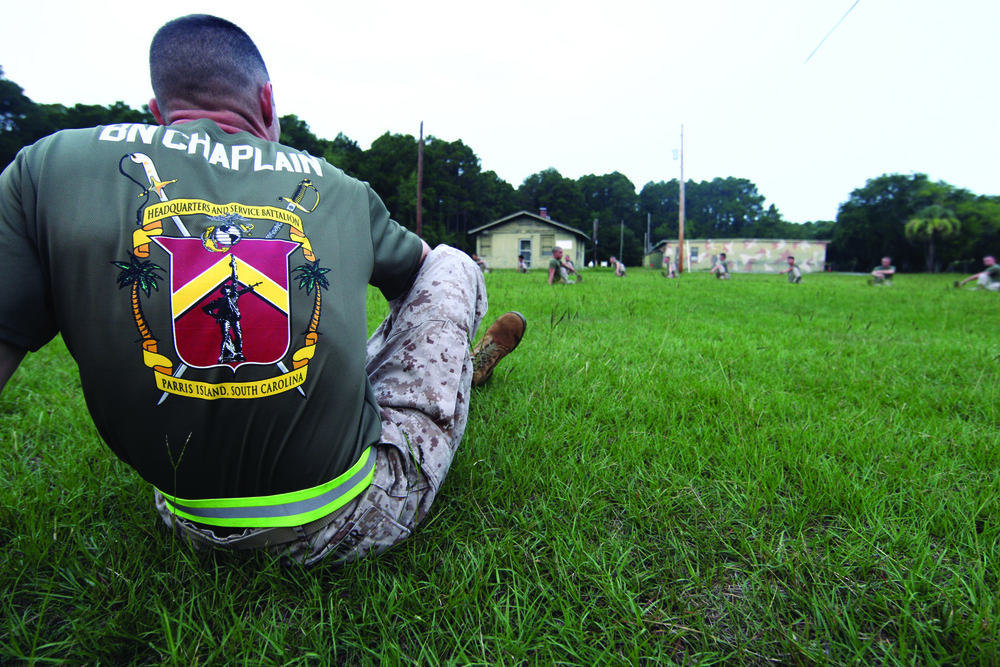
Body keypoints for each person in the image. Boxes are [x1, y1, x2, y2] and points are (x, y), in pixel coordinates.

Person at [0, 14, 527, 567]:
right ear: (269, 103)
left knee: (321, 361)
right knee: (452, 264)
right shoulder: (339, 187)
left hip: (185, 515)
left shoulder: (45, 168)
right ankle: (457, 370)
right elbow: (423, 274)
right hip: (347, 519)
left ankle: (453, 371)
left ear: (157, 113)